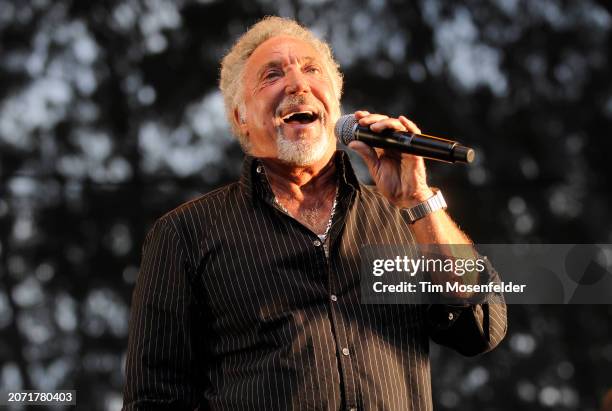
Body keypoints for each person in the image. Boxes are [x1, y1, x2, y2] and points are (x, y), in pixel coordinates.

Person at [122, 16, 506, 411]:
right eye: (272, 75)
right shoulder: (185, 234)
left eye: (311, 70)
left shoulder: (403, 217)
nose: (297, 84)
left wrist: (418, 200)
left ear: (335, 105)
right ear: (241, 117)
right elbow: (155, 398)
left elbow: (481, 325)